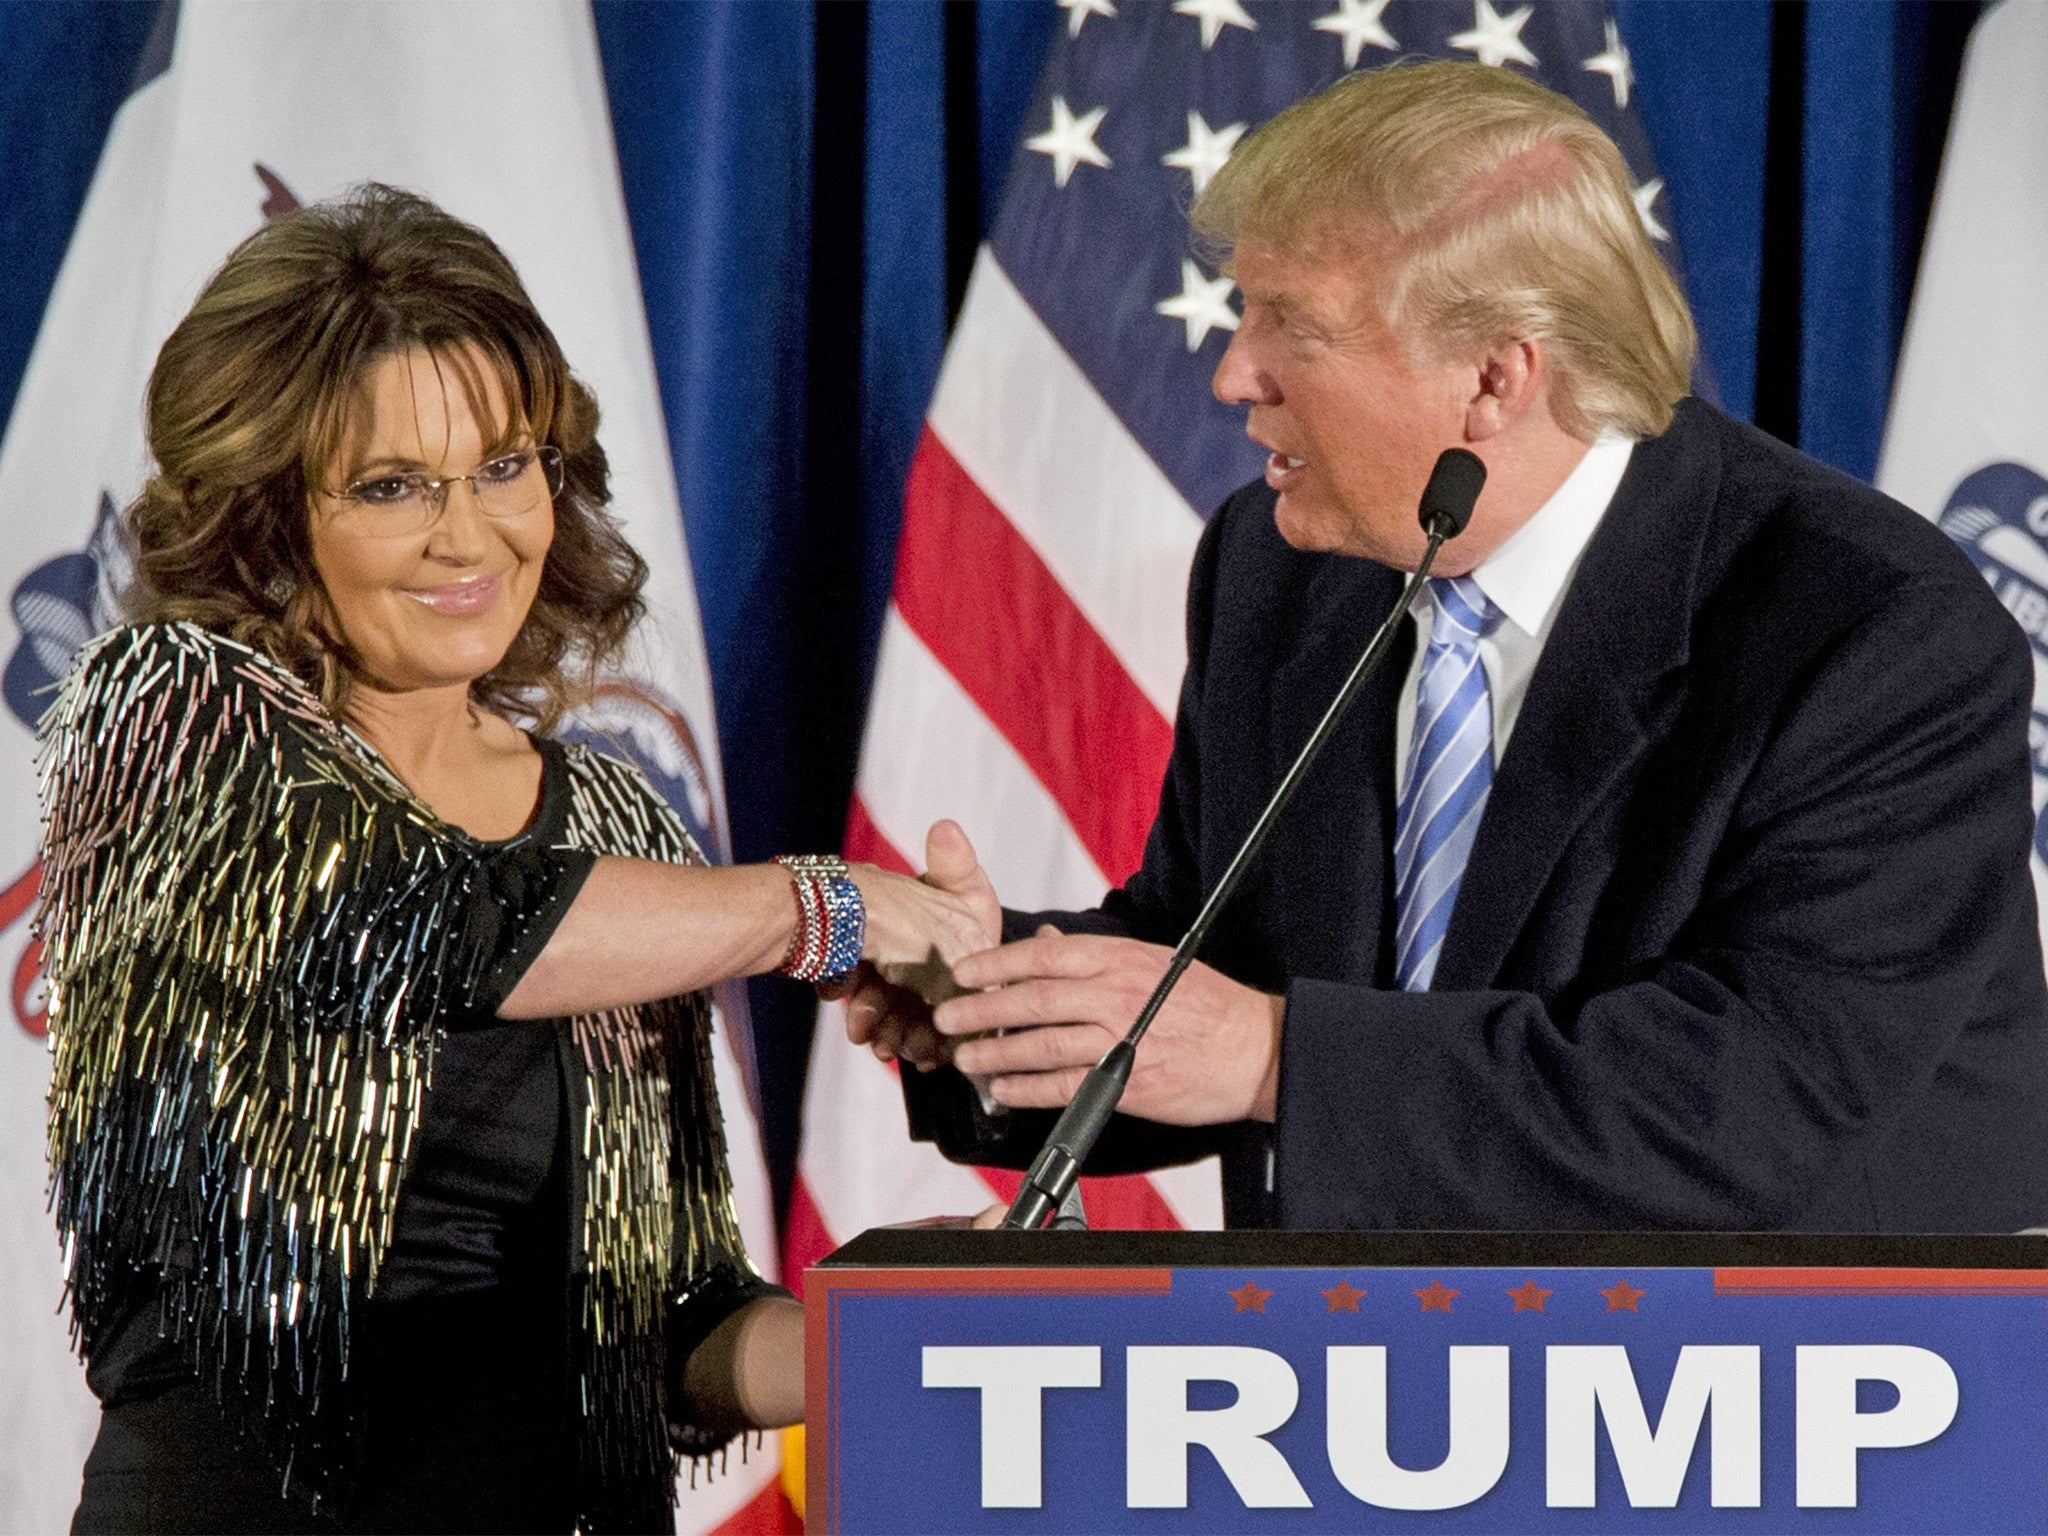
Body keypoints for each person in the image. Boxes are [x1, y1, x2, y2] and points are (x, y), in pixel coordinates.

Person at [853, 60, 2048, 1234]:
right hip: (1378, 1380)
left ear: (1491, 378)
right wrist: (987, 996)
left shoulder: (1872, 628)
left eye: (1290, 327)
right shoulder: (1280, 570)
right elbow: (1213, 964)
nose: (1230, 374)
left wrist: (1274, 1058)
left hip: (1790, 1392)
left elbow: (1749, 1095)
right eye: (1237, 312)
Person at [42, 185, 987, 1535]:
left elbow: (664, 1338)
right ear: (264, 515)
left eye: (505, 465)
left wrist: (878, 1328)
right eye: (390, 487)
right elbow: (404, 927)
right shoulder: (168, 714)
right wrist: (821, 911)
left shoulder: (610, 822)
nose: (471, 536)